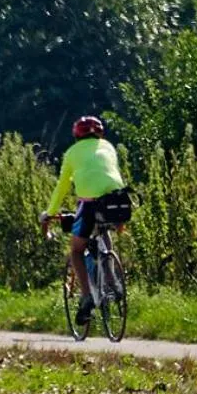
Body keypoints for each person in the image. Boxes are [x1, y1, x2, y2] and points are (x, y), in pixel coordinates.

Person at [39, 116, 130, 324]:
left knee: (76, 250)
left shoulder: (72, 153)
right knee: (103, 231)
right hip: (118, 201)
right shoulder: (108, 147)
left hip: (90, 205)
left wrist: (49, 212)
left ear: (77, 135)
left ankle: (87, 296)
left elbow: (62, 186)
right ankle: (112, 278)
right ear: (100, 133)